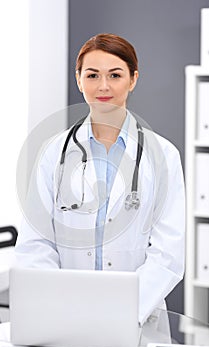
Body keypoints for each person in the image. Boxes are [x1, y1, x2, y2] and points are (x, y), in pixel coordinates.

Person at [15, 33, 185, 326]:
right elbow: (36, 244)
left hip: (137, 318)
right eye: (92, 75)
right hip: (65, 316)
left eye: (115, 75)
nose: (103, 86)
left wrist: (121, 312)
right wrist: (61, 305)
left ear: (132, 80)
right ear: (79, 80)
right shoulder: (53, 153)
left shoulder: (163, 154)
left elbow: (168, 254)